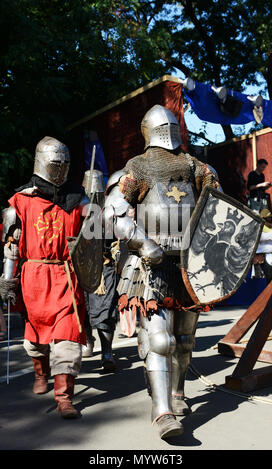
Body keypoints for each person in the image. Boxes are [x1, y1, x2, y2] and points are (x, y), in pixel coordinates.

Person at [103, 104, 221, 439]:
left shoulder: (195, 167)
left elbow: (219, 209)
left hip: (187, 265)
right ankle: (162, 412)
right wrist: (143, 244)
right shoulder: (137, 168)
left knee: (184, 341)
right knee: (160, 339)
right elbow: (114, 214)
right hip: (151, 265)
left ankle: (178, 392)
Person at [0, 136, 88, 419]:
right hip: (34, 278)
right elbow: (12, 246)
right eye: (55, 163)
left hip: (65, 275)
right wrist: (7, 279)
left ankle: (64, 397)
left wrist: (101, 202)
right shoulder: (20, 201)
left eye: (65, 163)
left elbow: (98, 229)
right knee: (35, 339)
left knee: (68, 338)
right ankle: (41, 372)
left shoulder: (78, 199)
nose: (61, 169)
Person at [82, 169, 118, 372]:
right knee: (83, 310)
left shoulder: (111, 211)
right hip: (81, 267)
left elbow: (119, 239)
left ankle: (107, 352)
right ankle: (88, 340)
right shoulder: (77, 208)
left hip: (104, 268)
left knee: (105, 312)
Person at [253, 208, 272, 283]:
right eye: (268, 218)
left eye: (270, 218)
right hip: (261, 257)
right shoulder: (259, 228)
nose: (270, 220)